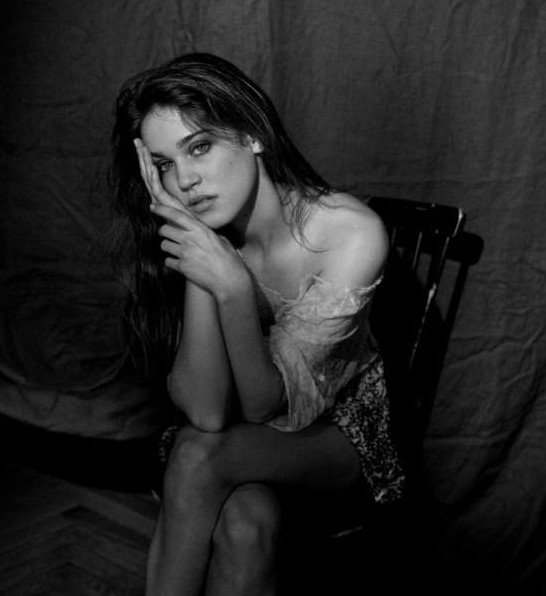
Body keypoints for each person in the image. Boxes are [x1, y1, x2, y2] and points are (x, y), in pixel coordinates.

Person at [111, 52, 404, 596]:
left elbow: (263, 404)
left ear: (252, 135)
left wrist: (232, 286)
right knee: (246, 523)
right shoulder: (206, 233)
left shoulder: (349, 233)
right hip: (241, 444)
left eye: (200, 147)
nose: (186, 180)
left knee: (196, 454)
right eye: (166, 165)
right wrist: (203, 254)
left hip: (337, 441)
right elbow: (205, 410)